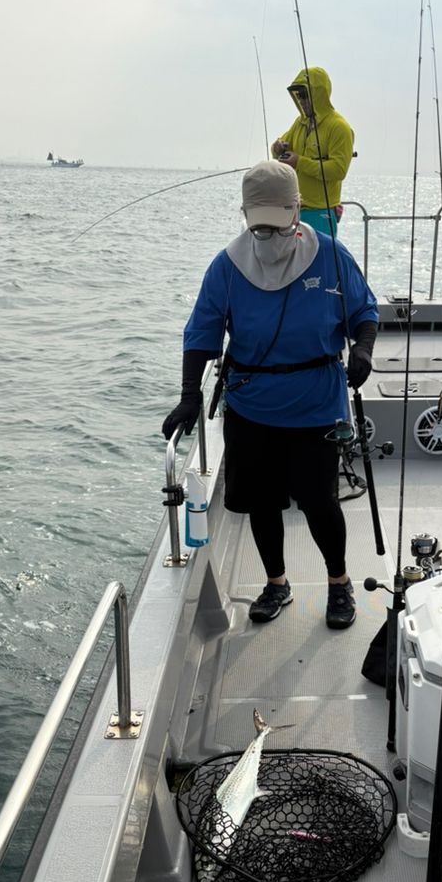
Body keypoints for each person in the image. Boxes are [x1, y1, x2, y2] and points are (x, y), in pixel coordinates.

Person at [162, 160, 378, 629]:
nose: (270, 236)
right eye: (260, 228)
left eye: (279, 226)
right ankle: (276, 583)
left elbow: (364, 309)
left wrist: (362, 349)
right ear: (245, 216)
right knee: (262, 504)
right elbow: (201, 332)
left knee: (321, 503)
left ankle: (339, 585)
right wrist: (188, 395)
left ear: (297, 210)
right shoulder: (227, 265)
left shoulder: (332, 256)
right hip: (251, 406)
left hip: (315, 406)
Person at [271, 67, 354, 238]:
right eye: (298, 95)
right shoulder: (299, 123)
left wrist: (299, 162)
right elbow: (279, 148)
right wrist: (277, 148)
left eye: (304, 95)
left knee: (320, 262)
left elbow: (339, 169)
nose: (301, 100)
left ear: (318, 94)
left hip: (321, 213)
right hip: (295, 211)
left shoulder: (339, 127)